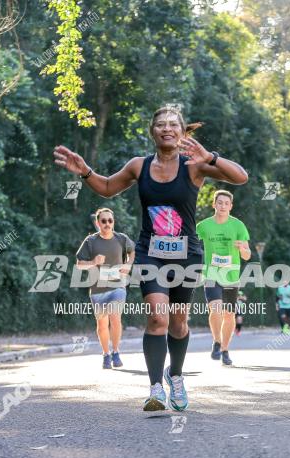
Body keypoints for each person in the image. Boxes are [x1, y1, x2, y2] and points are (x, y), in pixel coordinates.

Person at [54, 105, 248, 413]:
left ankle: (177, 376)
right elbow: (106, 188)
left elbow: (240, 177)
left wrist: (210, 157)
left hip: (187, 255)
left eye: (173, 124)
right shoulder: (138, 166)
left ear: (183, 133)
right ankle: (155, 387)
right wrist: (85, 172)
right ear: (152, 131)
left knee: (179, 321)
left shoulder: (193, 166)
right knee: (158, 317)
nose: (167, 128)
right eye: (161, 124)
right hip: (150, 253)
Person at [75, 208, 135, 369]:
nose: (107, 223)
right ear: (98, 223)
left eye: (110, 220)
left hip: (118, 286)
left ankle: (116, 352)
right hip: (97, 289)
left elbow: (132, 251)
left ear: (113, 222)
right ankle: (106, 354)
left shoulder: (122, 239)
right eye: (104, 221)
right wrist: (93, 262)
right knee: (102, 324)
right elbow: (79, 265)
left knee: (115, 317)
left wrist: (128, 265)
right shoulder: (90, 241)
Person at [197, 189, 250, 367]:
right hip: (211, 274)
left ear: (231, 206)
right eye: (219, 202)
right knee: (215, 309)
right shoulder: (203, 226)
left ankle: (225, 349)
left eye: (226, 203)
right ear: (214, 204)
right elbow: (191, 244)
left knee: (229, 314)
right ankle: (216, 341)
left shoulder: (238, 226)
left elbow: (247, 255)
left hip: (231, 276)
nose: (223, 206)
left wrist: (243, 249)